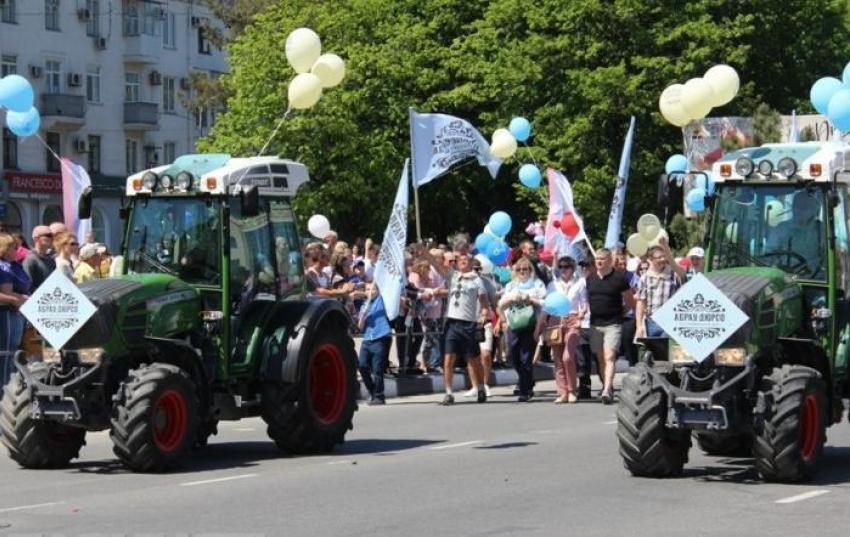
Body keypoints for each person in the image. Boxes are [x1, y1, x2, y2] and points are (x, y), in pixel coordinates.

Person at [439, 252, 490, 405]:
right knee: (448, 358)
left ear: (470, 263)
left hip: (469, 323)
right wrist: (424, 250)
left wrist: (483, 314)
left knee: (473, 359)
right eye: (459, 260)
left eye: (465, 260)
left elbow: (484, 304)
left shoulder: (477, 280)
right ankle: (448, 392)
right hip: (452, 323)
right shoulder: (453, 276)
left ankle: (481, 387)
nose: (462, 262)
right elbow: (436, 264)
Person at [586, 248, 635, 404]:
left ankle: (607, 389)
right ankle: (607, 385)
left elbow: (630, 301)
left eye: (602, 259)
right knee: (600, 359)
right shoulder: (591, 278)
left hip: (613, 323)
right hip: (595, 323)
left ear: (609, 260)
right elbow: (588, 299)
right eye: (597, 259)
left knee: (609, 356)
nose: (599, 261)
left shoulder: (619, 278)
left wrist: (620, 313)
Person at [537, 256, 587, 404]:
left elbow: (584, 302)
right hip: (555, 321)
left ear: (573, 268)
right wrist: (539, 327)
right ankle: (562, 392)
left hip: (572, 320)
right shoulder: (553, 285)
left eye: (567, 267)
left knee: (567, 357)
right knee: (558, 359)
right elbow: (546, 307)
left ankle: (572, 390)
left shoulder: (580, 283)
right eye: (561, 267)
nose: (564, 270)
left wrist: (582, 314)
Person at [499, 256, 546, 402]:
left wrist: (530, 299)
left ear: (530, 270)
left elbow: (545, 303)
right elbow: (501, 304)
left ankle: (525, 390)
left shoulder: (537, 284)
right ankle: (528, 380)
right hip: (514, 323)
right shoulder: (511, 285)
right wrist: (511, 300)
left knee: (526, 357)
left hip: (530, 324)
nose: (522, 272)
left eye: (525, 269)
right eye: (519, 269)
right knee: (513, 356)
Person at [462, 255, 498, 398]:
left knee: (486, 355)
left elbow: (495, 303)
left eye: (478, 269)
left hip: (484, 323)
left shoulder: (487, 283)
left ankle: (485, 383)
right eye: (473, 269)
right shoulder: (462, 282)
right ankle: (475, 386)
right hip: (467, 323)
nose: (476, 271)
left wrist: (501, 320)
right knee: (471, 356)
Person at [765, 191, 824, 277]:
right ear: (792, 207)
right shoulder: (781, 229)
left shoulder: (821, 230)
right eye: (796, 206)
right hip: (786, 279)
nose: (799, 210)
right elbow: (768, 257)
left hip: (815, 281)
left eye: (804, 207)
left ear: (813, 209)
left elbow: (829, 258)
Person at [0, 233, 31, 386]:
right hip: (7, 313)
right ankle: (4, 390)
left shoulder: (15, 264)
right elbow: (6, 292)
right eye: (14, 247)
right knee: (8, 352)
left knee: (14, 352)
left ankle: (10, 386)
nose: (17, 250)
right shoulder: (2, 266)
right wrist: (18, 301)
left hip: (17, 312)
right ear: (4, 249)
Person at [635, 245, 683, 338]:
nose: (663, 259)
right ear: (651, 259)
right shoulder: (645, 278)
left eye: (664, 256)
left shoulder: (674, 275)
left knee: (665, 349)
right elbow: (640, 302)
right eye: (659, 257)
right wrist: (639, 326)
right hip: (652, 321)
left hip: (670, 320)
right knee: (656, 350)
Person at [357, 283, 392, 405]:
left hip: (380, 338)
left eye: (372, 289)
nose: (370, 291)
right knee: (361, 366)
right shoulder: (363, 306)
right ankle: (372, 390)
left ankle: (379, 396)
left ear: (378, 290)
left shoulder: (381, 301)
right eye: (367, 289)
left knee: (377, 369)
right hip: (367, 339)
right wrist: (363, 315)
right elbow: (359, 327)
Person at [575, 258, 596, 399]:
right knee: (582, 359)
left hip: (597, 324)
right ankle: (584, 387)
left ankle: (607, 386)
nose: (584, 269)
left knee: (599, 358)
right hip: (582, 324)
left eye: (587, 266)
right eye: (582, 267)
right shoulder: (578, 284)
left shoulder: (599, 281)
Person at [23, 226, 56, 291]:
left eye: (53, 235)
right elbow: (27, 285)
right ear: (36, 239)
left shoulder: (51, 260)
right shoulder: (30, 260)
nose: (52, 238)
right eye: (48, 235)